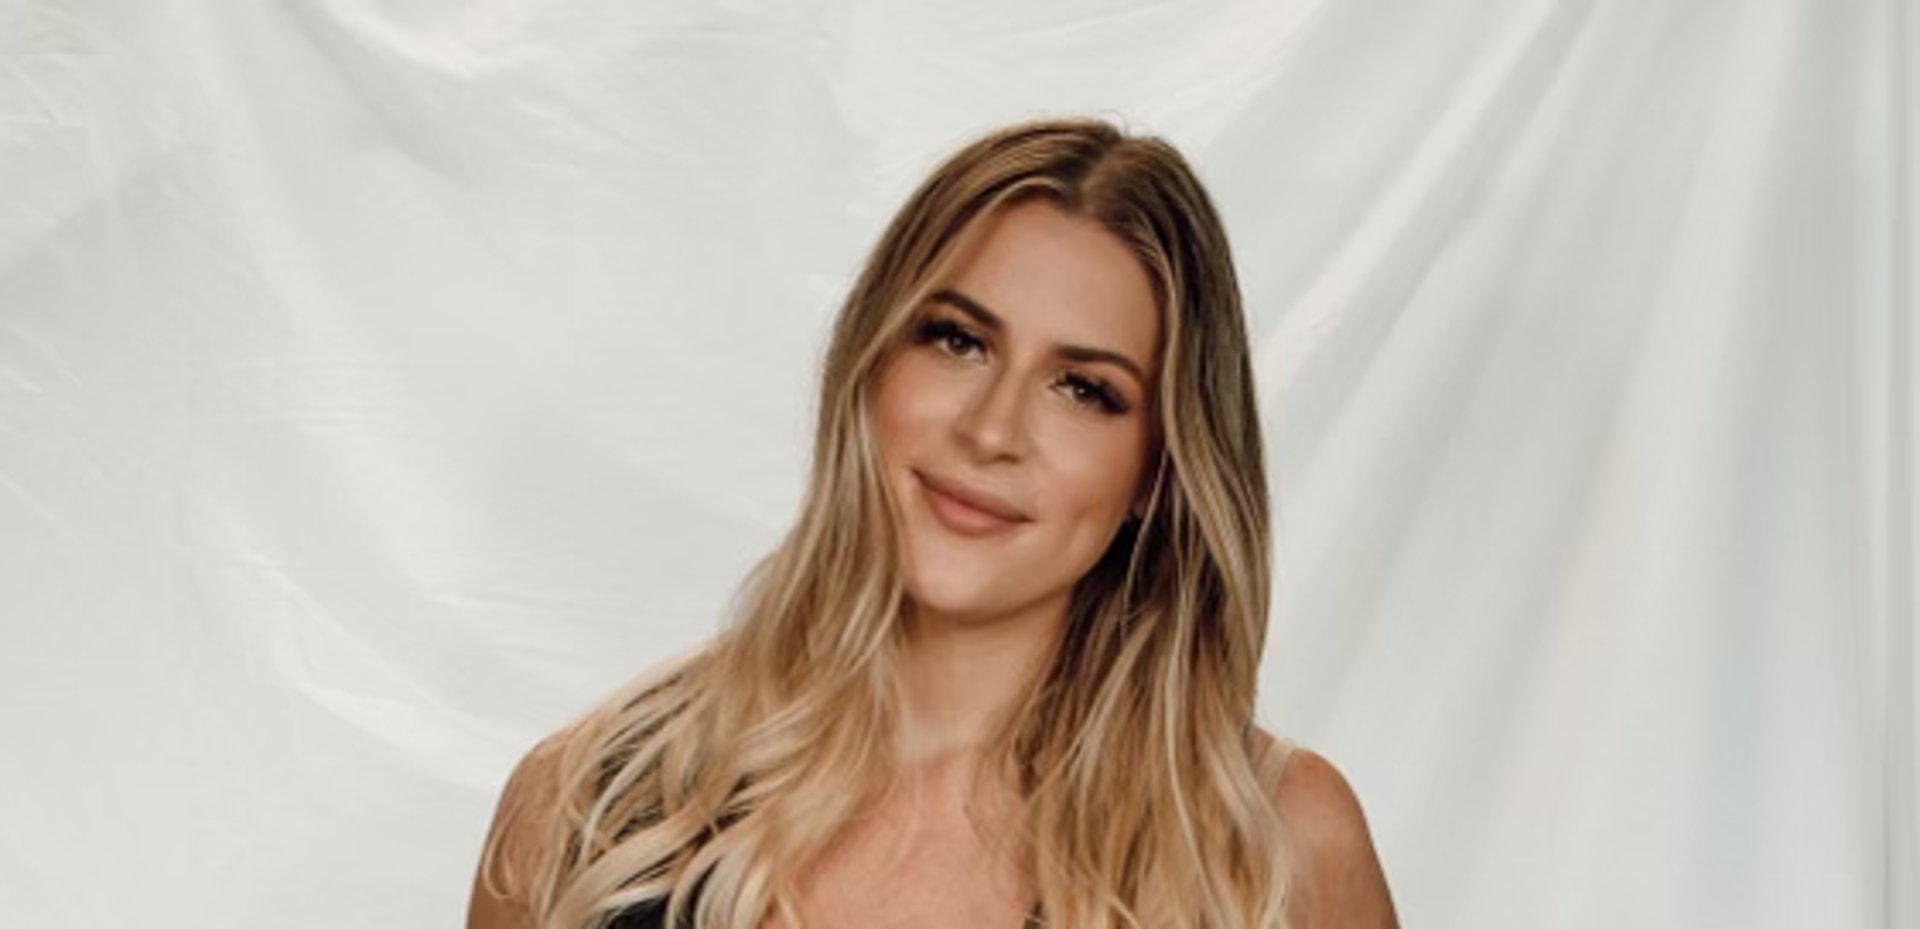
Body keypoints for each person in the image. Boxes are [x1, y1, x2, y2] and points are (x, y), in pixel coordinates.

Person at [467, 116, 1398, 929]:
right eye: (958, 339)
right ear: (873, 363)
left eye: (1085, 389)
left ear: (1159, 466)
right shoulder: (589, 804)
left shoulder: (1275, 844)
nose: (991, 429)